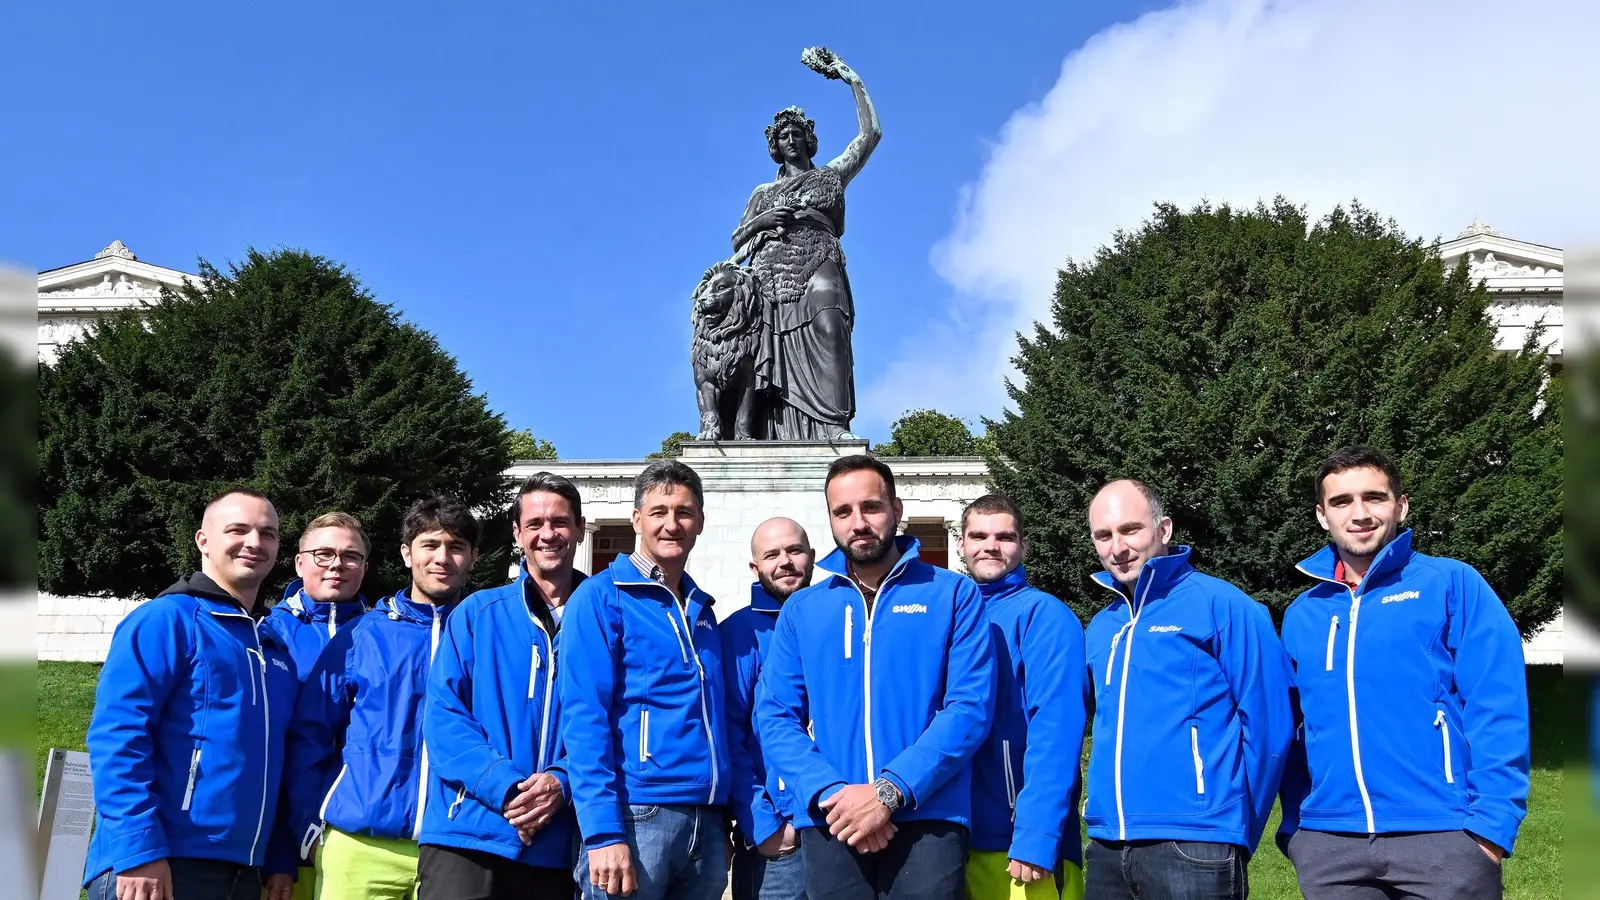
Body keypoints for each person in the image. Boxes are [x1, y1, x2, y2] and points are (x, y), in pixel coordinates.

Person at [1277, 446, 1530, 900]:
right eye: (1341, 502)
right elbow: (1292, 729)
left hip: (1444, 838)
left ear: (1401, 505)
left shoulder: (1452, 584)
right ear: (1321, 515)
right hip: (1330, 846)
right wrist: (1298, 829)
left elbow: (1498, 705)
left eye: (1374, 497)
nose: (1359, 514)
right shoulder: (1303, 613)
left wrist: (1491, 828)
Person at [757, 454, 995, 900]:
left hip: (928, 814)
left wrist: (889, 791)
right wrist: (831, 793)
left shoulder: (953, 594)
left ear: (897, 511)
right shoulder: (802, 609)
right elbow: (775, 716)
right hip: (832, 818)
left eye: (871, 507)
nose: (858, 522)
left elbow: (969, 708)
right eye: (843, 512)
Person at [1080, 479, 1293, 900]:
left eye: (1130, 530)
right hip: (1107, 843)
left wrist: (1231, 823)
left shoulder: (1224, 606)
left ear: (1165, 529)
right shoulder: (1103, 626)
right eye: (1104, 535)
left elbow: (1270, 727)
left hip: (1196, 842)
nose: (1117, 547)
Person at [83, 488, 299, 900]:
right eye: (238, 529)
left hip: (247, 872)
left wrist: (278, 857)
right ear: (203, 540)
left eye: (267, 533)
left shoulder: (274, 648)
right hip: (161, 864)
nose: (254, 543)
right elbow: (118, 737)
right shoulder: (165, 620)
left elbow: (279, 760)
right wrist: (137, 846)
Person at [270, 495, 479, 900]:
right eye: (430, 545)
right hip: (360, 845)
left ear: (473, 558)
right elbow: (309, 738)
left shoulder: (486, 633)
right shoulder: (362, 634)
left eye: (456, 547)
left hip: (455, 847)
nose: (442, 558)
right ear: (406, 554)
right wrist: (309, 828)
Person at [561, 460, 731, 900]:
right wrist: (601, 832)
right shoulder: (601, 598)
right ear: (637, 519)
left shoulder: (702, 609)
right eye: (659, 512)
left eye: (684, 512)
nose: (671, 524)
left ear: (700, 522)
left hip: (706, 820)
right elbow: (584, 717)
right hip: (637, 814)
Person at [417, 473, 588, 899]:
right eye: (534, 524)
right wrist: (507, 788)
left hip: (559, 843)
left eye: (560, 522)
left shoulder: (607, 619)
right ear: (517, 533)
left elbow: (619, 720)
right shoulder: (477, 613)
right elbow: (444, 718)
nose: (547, 534)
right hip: (468, 834)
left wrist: (561, 782)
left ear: (581, 529)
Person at [730, 50, 880, 440]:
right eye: (783, 136)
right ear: (775, 146)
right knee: (766, 349)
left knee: (831, 323)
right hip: (772, 272)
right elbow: (737, 238)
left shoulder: (831, 176)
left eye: (797, 134)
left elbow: (869, 136)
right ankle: (769, 431)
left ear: (809, 140)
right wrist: (762, 220)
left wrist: (851, 78)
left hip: (819, 257)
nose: (791, 140)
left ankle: (834, 424)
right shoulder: (764, 191)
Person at [956, 494, 1087, 900]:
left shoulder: (1045, 615)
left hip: (1019, 845)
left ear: (1024, 546)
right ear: (961, 544)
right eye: (978, 535)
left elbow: (1057, 729)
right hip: (953, 837)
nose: (990, 545)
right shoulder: (951, 612)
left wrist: (1037, 834)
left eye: (1004, 536)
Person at [260, 511, 374, 898]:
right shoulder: (266, 636)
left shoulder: (383, 636)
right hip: (279, 846)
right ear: (299, 561)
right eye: (323, 553)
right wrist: (280, 851)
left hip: (357, 834)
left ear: (365, 566)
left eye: (350, 556)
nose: (337, 565)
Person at [722, 517, 817, 900]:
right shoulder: (737, 634)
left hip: (841, 825)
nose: (785, 562)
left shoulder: (834, 620)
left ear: (811, 556)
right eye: (772, 554)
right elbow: (728, 735)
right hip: (779, 837)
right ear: (755, 566)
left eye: (794, 551)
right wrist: (763, 824)